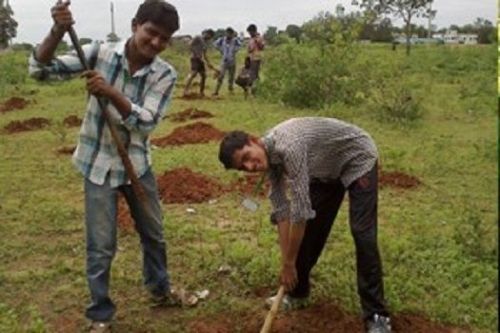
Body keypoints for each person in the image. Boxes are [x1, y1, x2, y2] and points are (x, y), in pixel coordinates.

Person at [29, 1, 180, 332]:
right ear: (134, 25)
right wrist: (57, 31)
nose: (155, 43)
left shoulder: (165, 74)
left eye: (164, 39)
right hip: (97, 165)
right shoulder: (99, 52)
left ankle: (159, 289)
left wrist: (110, 92)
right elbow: (40, 70)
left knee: (154, 234)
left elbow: (146, 122)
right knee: (101, 246)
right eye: (151, 33)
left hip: (138, 166)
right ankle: (100, 314)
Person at [218, 117, 392, 333]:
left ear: (254, 141)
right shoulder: (270, 160)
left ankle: (377, 315)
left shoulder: (289, 146)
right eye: (242, 167)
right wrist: (286, 262)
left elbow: (299, 212)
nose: (250, 167)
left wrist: (290, 264)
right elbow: (282, 213)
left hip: (356, 158)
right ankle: (297, 292)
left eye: (247, 157)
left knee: (362, 233)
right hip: (324, 170)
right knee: (305, 234)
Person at [183, 29, 216, 97]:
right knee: (193, 74)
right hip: (194, 58)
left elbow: (204, 54)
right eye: (210, 36)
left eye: (211, 37)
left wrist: (208, 63)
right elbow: (190, 45)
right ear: (207, 33)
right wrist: (195, 53)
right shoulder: (197, 37)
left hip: (200, 60)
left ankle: (201, 92)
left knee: (204, 76)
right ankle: (185, 91)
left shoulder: (205, 43)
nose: (210, 38)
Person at [212, 27, 242, 96]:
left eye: (230, 34)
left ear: (232, 34)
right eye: (228, 33)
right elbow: (215, 44)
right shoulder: (222, 39)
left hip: (232, 61)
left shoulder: (235, 40)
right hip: (224, 61)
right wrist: (220, 49)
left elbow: (240, 45)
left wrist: (235, 50)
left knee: (231, 77)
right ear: (226, 33)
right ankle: (216, 91)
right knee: (221, 76)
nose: (229, 35)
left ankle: (230, 90)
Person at [245, 24, 265, 95]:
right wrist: (247, 58)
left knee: (253, 75)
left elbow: (262, 47)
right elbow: (248, 49)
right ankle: (256, 90)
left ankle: (254, 91)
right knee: (254, 75)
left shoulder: (259, 38)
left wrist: (257, 41)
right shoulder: (250, 39)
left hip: (257, 58)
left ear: (254, 31)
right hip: (251, 59)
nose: (249, 34)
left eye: (250, 32)